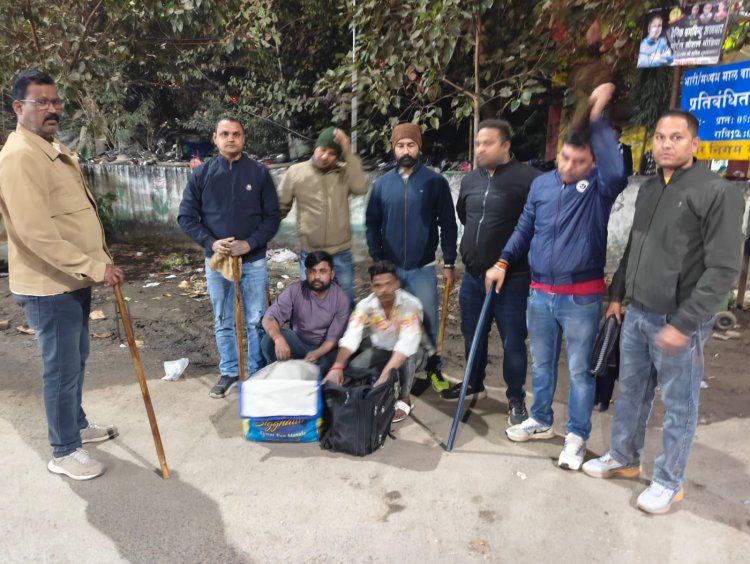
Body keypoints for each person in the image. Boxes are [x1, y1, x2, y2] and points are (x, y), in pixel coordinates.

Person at [582, 110, 744, 514]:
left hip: (678, 320)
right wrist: (617, 296)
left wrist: (684, 323)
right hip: (637, 313)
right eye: (659, 137)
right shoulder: (651, 188)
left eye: (676, 137)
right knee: (631, 392)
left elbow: (723, 268)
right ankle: (624, 457)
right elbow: (634, 246)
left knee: (679, 404)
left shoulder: (717, 192)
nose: (666, 144)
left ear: (695, 144)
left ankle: (669, 481)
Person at [485, 83, 628, 471]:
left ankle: (577, 436)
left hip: (581, 298)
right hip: (540, 294)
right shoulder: (542, 185)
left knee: (580, 371)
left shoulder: (600, 188)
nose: (567, 167)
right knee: (543, 363)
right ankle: (541, 419)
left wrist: (596, 118)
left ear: (592, 162)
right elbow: (524, 228)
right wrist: (502, 262)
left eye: (578, 162)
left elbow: (616, 170)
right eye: (564, 158)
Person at [0, 69, 122, 480]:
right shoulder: (20, 156)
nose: (52, 109)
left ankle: (77, 425)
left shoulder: (48, 146)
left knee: (76, 359)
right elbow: (35, 233)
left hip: (69, 280)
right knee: (61, 368)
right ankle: (64, 450)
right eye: (41, 102)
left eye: (55, 101)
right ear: (19, 107)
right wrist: (95, 267)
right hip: (48, 286)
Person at [441, 119, 541, 426]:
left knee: (513, 341)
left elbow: (535, 227)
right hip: (473, 277)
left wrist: (506, 260)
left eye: (488, 143)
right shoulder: (471, 180)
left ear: (506, 145)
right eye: (478, 143)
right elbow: (464, 215)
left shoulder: (530, 180)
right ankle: (474, 383)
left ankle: (516, 398)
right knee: (473, 333)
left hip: (513, 279)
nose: (480, 149)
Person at [178, 117, 280, 398]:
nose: (231, 138)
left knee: (256, 319)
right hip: (217, 261)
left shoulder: (258, 173)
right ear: (215, 138)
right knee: (223, 318)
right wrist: (212, 243)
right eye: (224, 134)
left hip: (253, 260)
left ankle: (256, 372)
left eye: (236, 134)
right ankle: (230, 371)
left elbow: (272, 218)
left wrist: (249, 244)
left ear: (243, 139)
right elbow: (186, 217)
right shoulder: (202, 174)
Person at [365, 122, 457, 393]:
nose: (406, 150)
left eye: (411, 145)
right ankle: (392, 373)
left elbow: (448, 224)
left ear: (419, 147)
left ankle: (433, 370)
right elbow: (372, 224)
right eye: (400, 145)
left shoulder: (435, 182)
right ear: (393, 148)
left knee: (428, 321)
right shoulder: (382, 185)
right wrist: (378, 261)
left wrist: (449, 261)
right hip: (390, 270)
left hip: (423, 268)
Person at [323, 260, 427, 423]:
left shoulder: (411, 305)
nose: (383, 290)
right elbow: (351, 336)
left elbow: (406, 345)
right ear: (372, 287)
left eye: (388, 284)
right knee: (354, 368)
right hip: (381, 349)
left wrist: (384, 377)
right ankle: (378, 382)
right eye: (378, 285)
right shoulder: (366, 305)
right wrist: (337, 367)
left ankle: (405, 397)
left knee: (409, 356)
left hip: (410, 354)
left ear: (397, 284)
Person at [278, 126, 368, 304]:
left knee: (345, 302)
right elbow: (280, 207)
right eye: (323, 150)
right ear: (316, 147)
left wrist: (348, 151)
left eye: (332, 153)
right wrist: (259, 233)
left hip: (341, 253)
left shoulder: (344, 173)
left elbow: (360, 188)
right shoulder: (296, 172)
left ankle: (343, 325)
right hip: (311, 253)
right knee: (310, 303)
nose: (326, 156)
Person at [261, 251, 350, 374]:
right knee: (268, 341)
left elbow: (332, 340)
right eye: (313, 271)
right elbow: (269, 318)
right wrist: (278, 338)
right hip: (299, 342)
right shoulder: (295, 290)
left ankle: (305, 373)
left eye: (323, 271)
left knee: (330, 363)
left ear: (332, 274)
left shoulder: (341, 299)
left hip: (325, 348)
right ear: (306, 273)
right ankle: (282, 373)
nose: (317, 277)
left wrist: (316, 353)